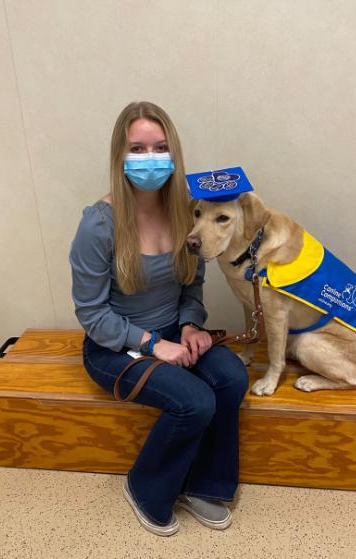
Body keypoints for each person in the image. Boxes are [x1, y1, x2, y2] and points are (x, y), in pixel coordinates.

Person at [69, 101, 249, 536]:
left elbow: (192, 284)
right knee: (195, 401)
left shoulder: (188, 211)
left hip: (173, 330)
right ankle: (145, 485)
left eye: (160, 147)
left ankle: (205, 485)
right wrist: (154, 345)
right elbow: (91, 314)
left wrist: (189, 326)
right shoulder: (99, 224)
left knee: (230, 377)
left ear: (174, 152)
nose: (150, 158)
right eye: (138, 148)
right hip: (113, 346)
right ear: (119, 155)